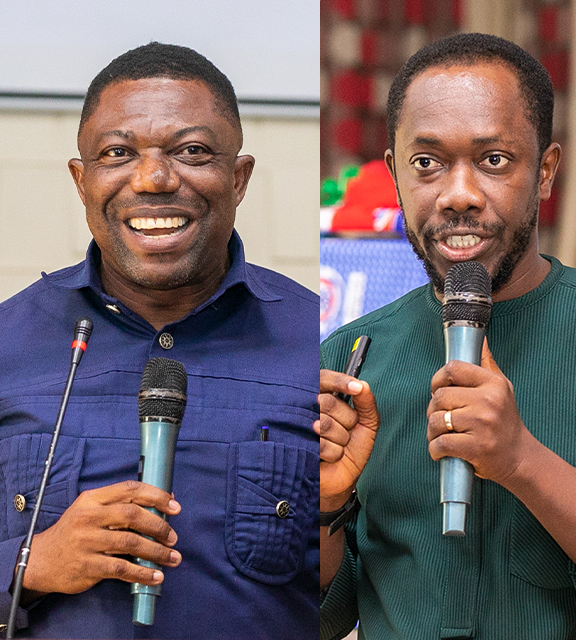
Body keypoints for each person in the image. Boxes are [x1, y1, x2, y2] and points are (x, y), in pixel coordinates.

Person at [311, 33, 576, 639]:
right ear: (395, 174)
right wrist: (322, 511)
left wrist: (520, 459)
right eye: (427, 164)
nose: (458, 195)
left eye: (494, 160)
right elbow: (322, 616)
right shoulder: (350, 358)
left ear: (546, 172)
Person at [0, 43, 356, 639]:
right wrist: (29, 563)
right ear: (81, 180)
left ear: (239, 179)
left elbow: (346, 605)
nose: (154, 179)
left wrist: (332, 509)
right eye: (118, 153)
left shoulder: (320, 342)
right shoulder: (9, 341)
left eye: (191, 151)